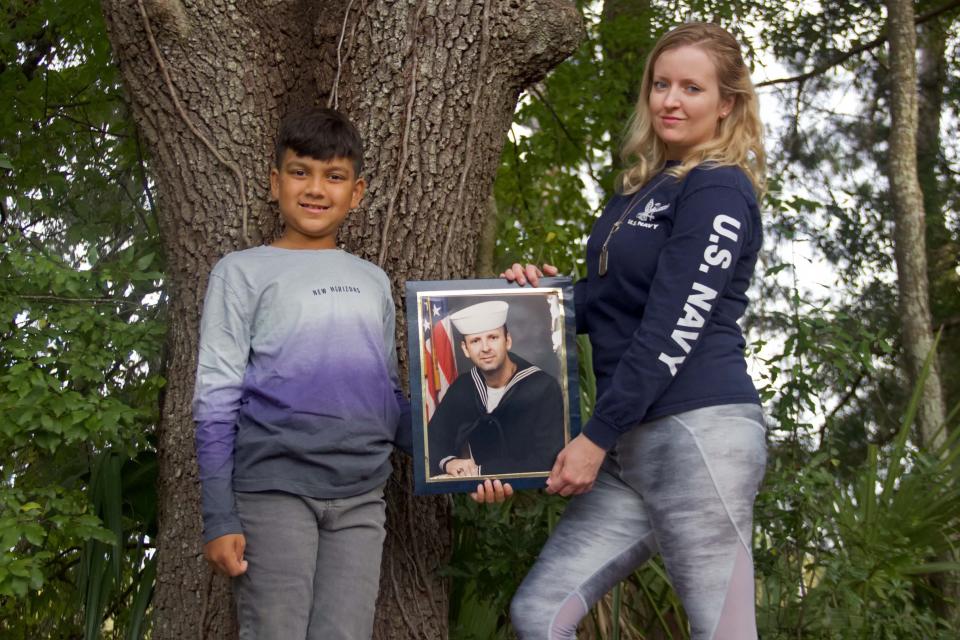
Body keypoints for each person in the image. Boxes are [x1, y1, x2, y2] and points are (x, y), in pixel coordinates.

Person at [496, 22, 768, 639]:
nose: (671, 100)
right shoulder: (640, 192)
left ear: (726, 103)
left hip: (698, 434)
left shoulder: (717, 188)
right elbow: (608, 302)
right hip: (631, 442)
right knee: (539, 614)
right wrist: (540, 298)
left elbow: (675, 324)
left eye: (692, 88)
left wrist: (595, 436)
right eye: (661, 84)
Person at [192, 108, 411, 640]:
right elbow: (215, 400)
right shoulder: (241, 272)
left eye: (334, 177)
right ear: (275, 182)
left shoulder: (373, 281)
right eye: (300, 172)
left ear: (356, 193)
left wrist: (459, 459)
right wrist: (220, 517)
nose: (316, 189)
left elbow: (387, 398)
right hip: (275, 493)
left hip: (362, 499)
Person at [428, 300, 565, 477]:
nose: (485, 348)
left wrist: (480, 472)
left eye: (493, 338)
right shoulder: (463, 387)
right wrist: (449, 462)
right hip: (471, 495)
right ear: (465, 349)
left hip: (528, 493)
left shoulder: (543, 388)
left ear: (507, 341)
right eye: (476, 341)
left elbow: (547, 459)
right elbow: (433, 439)